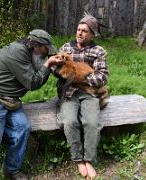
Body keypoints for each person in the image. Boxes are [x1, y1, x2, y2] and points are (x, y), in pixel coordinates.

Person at [0, 29, 62, 180]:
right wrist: (48, 64)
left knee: (22, 127)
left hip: (9, 100)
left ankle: (11, 170)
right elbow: (33, 83)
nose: (47, 54)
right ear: (36, 46)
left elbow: (39, 73)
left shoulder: (29, 53)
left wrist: (50, 64)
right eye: (46, 50)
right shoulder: (17, 52)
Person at [56, 15, 109, 179]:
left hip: (89, 92)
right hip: (69, 92)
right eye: (79, 30)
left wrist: (82, 78)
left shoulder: (98, 51)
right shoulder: (66, 47)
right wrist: (58, 69)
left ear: (92, 34)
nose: (80, 33)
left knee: (92, 122)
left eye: (84, 31)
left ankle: (89, 160)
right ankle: (78, 159)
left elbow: (103, 76)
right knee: (69, 121)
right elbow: (57, 71)